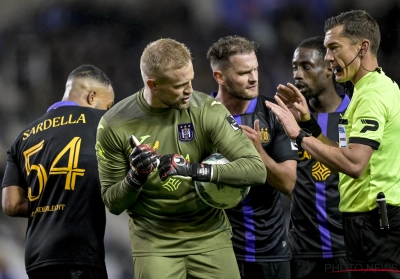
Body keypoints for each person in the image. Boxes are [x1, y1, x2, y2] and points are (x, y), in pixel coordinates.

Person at [95, 38, 267, 279]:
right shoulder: (114, 124)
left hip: (210, 236)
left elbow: (256, 170)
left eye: (191, 80)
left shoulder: (207, 109)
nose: (189, 90)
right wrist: (135, 177)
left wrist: (193, 170)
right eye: (179, 85)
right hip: (154, 243)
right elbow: (113, 203)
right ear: (153, 84)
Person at [266, 10, 400, 278]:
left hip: (374, 223)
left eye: (334, 48)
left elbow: (354, 164)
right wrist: (308, 123)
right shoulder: (371, 88)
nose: (328, 58)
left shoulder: (371, 96)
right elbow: (343, 157)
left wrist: (299, 135)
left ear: (362, 47)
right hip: (364, 224)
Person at [1, 64, 115, 279]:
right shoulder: (100, 124)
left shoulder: (23, 137)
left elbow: (11, 204)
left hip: (37, 257)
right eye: (107, 105)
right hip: (79, 253)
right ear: (92, 97)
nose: (108, 112)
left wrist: (50, 202)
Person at [206, 35, 297, 279]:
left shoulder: (274, 113)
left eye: (255, 69)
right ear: (220, 77)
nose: (254, 78)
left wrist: (257, 154)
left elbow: (289, 183)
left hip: (271, 251)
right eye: (244, 72)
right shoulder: (199, 117)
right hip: (218, 253)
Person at [289, 36, 352, 278]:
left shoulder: (354, 114)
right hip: (302, 250)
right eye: (294, 67)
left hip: (348, 247)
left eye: (306, 66)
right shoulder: (289, 119)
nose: (297, 74)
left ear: (329, 69)